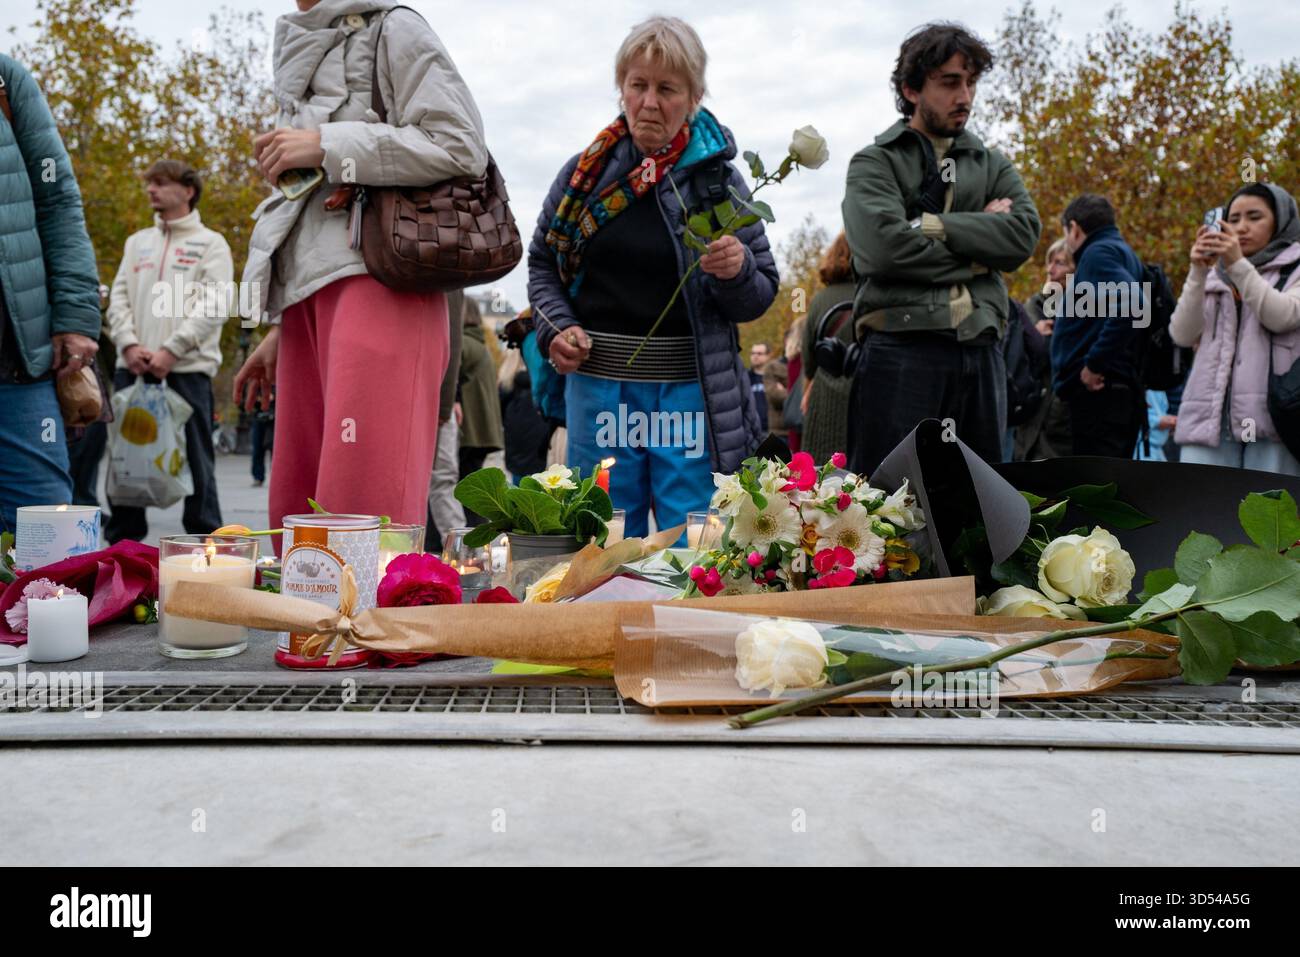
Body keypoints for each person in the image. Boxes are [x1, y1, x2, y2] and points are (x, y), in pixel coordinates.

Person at [233, 0, 488, 548]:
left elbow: (462, 144)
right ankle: (309, 634)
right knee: (297, 510)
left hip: (384, 280)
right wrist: (281, 327)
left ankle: (366, 636)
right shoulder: (302, 42)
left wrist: (327, 143)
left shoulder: (394, 27)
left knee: (360, 514)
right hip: (311, 298)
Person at [528, 15, 778, 539]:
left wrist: (735, 272)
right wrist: (558, 328)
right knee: (598, 540)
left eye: (667, 89)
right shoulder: (584, 176)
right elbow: (543, 264)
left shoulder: (720, 183)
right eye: (638, 85)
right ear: (621, 88)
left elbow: (760, 293)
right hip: (598, 389)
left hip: (689, 393)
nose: (649, 101)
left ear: (694, 95)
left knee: (695, 542)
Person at [841, 22, 1041, 475]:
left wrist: (930, 225)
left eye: (971, 82)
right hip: (900, 348)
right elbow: (882, 250)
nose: (965, 96)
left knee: (984, 509)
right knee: (885, 510)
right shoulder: (875, 162)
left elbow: (1022, 235)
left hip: (981, 347)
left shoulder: (992, 164)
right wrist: (980, 248)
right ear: (912, 89)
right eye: (950, 82)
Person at [0, 54, 102, 534]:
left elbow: (56, 196)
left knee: (48, 535)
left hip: (18, 360)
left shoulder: (4, 78)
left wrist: (77, 316)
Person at [104, 159, 231, 541]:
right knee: (126, 458)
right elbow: (118, 297)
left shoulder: (211, 244)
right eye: (149, 183)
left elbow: (215, 304)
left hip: (187, 370)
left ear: (188, 190)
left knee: (198, 462)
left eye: (160, 183)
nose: (151, 190)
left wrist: (172, 350)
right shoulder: (137, 242)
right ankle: (122, 546)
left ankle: (208, 545)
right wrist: (127, 343)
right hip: (135, 366)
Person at [1171, 183, 1300, 474]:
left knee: (1270, 515)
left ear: (1280, 221)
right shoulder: (1215, 274)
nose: (1242, 227)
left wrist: (1237, 264)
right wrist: (1198, 270)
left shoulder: (1295, 268)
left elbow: (1282, 316)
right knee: (1201, 513)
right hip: (1207, 423)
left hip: (1275, 423)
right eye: (1234, 219)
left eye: (1255, 217)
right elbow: (1182, 333)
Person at [1050, 194, 1147, 458]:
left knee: (1093, 488)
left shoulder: (1097, 252)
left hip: (1098, 398)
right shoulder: (1121, 252)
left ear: (1074, 228)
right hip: (1112, 395)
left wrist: (1094, 364)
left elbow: (1132, 304)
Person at [800, 232, 857, 464]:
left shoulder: (821, 299)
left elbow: (808, 353)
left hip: (825, 394)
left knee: (825, 470)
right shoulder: (875, 294)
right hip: (866, 389)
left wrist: (809, 382)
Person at [1015, 238, 1075, 459]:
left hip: (1063, 419)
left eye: (1059, 263)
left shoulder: (1088, 308)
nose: (1050, 270)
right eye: (1049, 263)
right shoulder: (1036, 305)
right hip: (1032, 412)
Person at [748, 341, 770, 432]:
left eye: (759, 353)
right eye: (753, 353)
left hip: (771, 429)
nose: (755, 356)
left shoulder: (775, 377)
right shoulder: (745, 378)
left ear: (768, 356)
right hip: (751, 429)